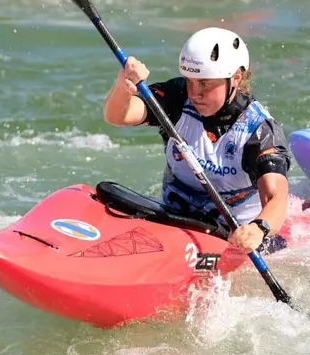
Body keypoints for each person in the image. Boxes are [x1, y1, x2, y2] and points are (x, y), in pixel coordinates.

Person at [102, 27, 291, 253]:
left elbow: (276, 197)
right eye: (190, 81)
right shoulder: (178, 98)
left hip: (233, 239)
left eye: (205, 84)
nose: (194, 93)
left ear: (236, 78)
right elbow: (117, 116)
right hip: (173, 222)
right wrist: (124, 85)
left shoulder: (258, 131)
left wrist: (258, 228)